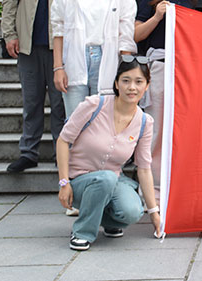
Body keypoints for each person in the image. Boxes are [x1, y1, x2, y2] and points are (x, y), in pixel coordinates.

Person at [56, 59, 161, 251]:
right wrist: (64, 183)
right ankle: (82, 233)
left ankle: (108, 222)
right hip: (78, 182)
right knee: (105, 178)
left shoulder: (145, 122)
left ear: (147, 86)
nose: (132, 87)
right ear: (116, 83)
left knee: (133, 211)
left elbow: (144, 168)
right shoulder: (95, 105)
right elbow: (63, 140)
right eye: (126, 80)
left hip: (112, 181)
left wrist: (154, 213)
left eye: (139, 82)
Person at [1, 0, 74, 172]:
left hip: (61, 48)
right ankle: (28, 153)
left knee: (60, 104)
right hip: (29, 45)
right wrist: (9, 34)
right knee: (31, 101)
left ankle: (60, 154)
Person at [51, 0, 137, 117]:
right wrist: (58, 68)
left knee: (104, 121)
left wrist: (125, 70)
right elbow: (58, 31)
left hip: (108, 58)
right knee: (75, 120)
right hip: (75, 59)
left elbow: (126, 34)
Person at [134, 0, 198, 191]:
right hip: (160, 67)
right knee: (157, 126)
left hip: (187, 71)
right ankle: (152, 187)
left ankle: (181, 181)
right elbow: (136, 34)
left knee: (186, 126)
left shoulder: (194, 1)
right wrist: (156, 17)